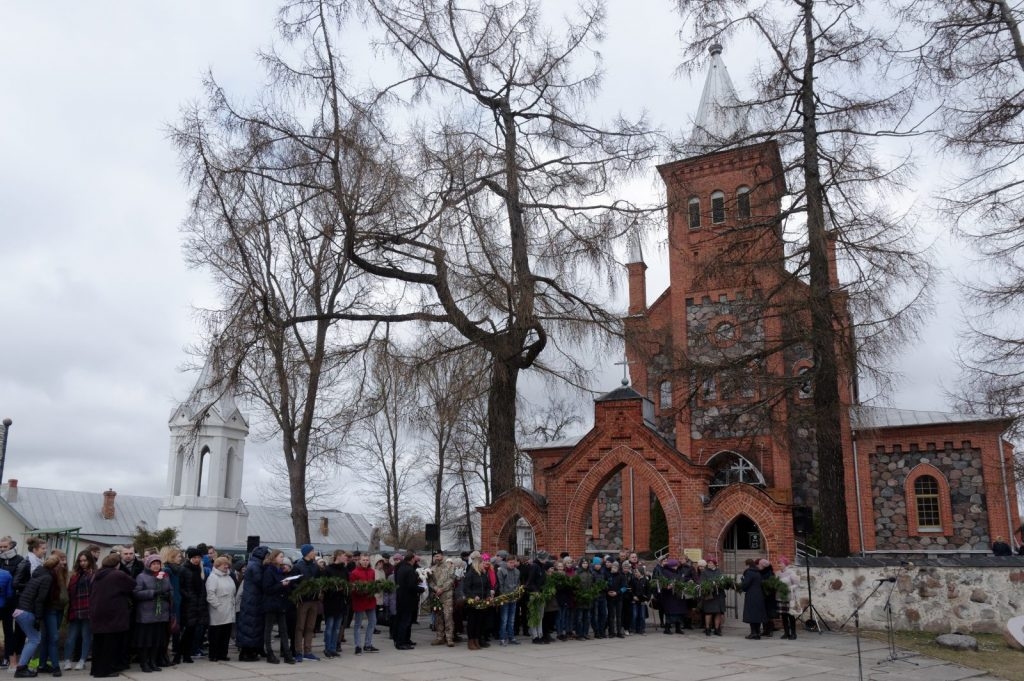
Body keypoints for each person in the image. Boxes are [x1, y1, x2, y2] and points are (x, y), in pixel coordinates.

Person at [89, 553, 136, 678]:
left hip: (97, 611)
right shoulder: (117, 574)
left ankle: (96, 669)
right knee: (110, 644)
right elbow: (132, 584)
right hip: (113, 613)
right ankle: (106, 670)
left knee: (98, 643)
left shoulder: (97, 574)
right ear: (117, 564)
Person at [13, 554, 57, 678]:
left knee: (32, 638)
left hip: (20, 610)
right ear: (55, 567)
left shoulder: (37, 573)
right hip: (27, 611)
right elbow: (40, 599)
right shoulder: (47, 577)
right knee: (34, 639)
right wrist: (38, 617)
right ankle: (21, 668)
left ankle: (23, 666)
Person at [133, 554, 171, 673]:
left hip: (161, 614)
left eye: (158, 564)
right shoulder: (141, 577)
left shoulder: (164, 576)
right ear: (149, 565)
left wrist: (168, 595)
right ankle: (144, 662)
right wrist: (153, 593)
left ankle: (153, 661)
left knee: (157, 640)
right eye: (153, 564)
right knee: (146, 640)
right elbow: (136, 593)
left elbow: (171, 590)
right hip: (147, 615)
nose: (156, 566)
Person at [261, 550, 296, 665]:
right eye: (281, 557)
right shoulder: (269, 571)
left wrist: (287, 583)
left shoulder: (279, 570)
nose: (282, 559)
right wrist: (281, 584)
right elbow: (267, 589)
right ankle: (270, 653)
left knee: (284, 630)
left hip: (281, 603)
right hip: (271, 604)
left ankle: (287, 653)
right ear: (274, 557)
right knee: (269, 629)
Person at [63, 551, 96, 671]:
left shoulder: (94, 574)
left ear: (90, 561)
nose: (82, 563)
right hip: (75, 609)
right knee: (71, 637)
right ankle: (67, 660)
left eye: (85, 560)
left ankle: (82, 660)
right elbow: (69, 591)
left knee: (86, 636)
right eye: (80, 561)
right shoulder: (75, 575)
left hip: (88, 610)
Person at [236, 546, 269, 662]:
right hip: (252, 600)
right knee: (250, 627)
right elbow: (260, 581)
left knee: (252, 626)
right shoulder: (255, 566)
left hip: (252, 599)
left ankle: (252, 650)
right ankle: (246, 653)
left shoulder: (254, 564)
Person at [292, 544, 322, 661]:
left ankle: (308, 651)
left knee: (310, 627)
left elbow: (319, 580)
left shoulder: (315, 566)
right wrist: (302, 588)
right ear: (307, 553)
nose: (314, 553)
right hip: (302, 601)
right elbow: (293, 582)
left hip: (314, 600)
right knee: (300, 627)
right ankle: (298, 651)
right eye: (313, 551)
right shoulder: (298, 566)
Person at [178, 548, 208, 664]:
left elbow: (202, 586)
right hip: (188, 605)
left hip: (198, 605)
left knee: (193, 631)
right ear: (190, 558)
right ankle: (181, 654)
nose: (196, 560)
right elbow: (180, 586)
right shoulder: (184, 569)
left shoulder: (199, 569)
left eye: (198, 558)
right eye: (194, 558)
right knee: (187, 631)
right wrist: (188, 595)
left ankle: (186, 655)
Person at [205, 555, 238, 662]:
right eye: (224, 565)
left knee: (226, 633)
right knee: (216, 634)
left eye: (227, 565)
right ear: (218, 565)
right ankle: (213, 654)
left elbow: (233, 591)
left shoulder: (228, 576)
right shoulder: (213, 577)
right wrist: (218, 606)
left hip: (228, 608)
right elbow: (210, 594)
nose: (226, 567)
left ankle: (223, 654)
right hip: (218, 610)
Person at [0, 537, 26, 670]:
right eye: (1, 547)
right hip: (2, 598)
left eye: (5, 546)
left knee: (13, 631)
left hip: (14, 599)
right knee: (6, 630)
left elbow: (19, 579)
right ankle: (6, 658)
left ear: (11, 546)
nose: (2, 549)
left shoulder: (19, 560)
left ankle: (11, 657)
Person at [348, 553, 379, 654]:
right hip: (359, 601)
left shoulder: (372, 572)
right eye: (364, 560)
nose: (365, 562)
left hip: (370, 600)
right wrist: (360, 591)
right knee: (358, 624)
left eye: (367, 560)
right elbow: (352, 588)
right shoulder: (354, 573)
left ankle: (368, 644)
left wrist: (373, 589)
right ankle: (358, 646)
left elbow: (373, 584)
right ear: (359, 561)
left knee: (373, 622)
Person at [322, 550, 349, 657]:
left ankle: (333, 648)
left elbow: (347, 583)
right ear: (337, 556)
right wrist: (336, 589)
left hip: (341, 602)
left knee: (337, 627)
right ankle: (327, 648)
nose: (345, 557)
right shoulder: (328, 569)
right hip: (330, 602)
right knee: (329, 627)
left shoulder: (344, 570)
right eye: (344, 556)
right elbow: (325, 586)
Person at [462, 552, 491, 651]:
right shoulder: (470, 574)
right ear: (477, 564)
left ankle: (477, 640)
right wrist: (474, 596)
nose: (484, 565)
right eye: (482, 563)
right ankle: (471, 641)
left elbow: (487, 587)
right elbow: (466, 588)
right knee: (472, 622)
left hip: (482, 602)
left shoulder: (483, 574)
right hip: (473, 603)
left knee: (480, 622)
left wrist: (487, 595)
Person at [393, 552, 421, 650]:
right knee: (405, 621)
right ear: (412, 559)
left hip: (400, 597)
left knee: (403, 620)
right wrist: (421, 589)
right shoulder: (409, 569)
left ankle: (405, 639)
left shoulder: (400, 567)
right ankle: (401, 642)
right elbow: (411, 585)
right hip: (408, 599)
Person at [427, 554, 456, 648]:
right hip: (437, 596)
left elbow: (452, 579)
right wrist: (436, 588)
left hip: (447, 596)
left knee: (448, 617)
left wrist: (442, 589)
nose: (436, 558)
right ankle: (440, 637)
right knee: (438, 617)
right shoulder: (432, 568)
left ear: (442, 556)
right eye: (435, 557)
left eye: (438, 556)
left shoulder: (449, 566)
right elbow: (430, 581)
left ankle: (449, 638)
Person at [739, 558, 767, 639]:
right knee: (757, 614)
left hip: (752, 595)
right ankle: (757, 633)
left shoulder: (749, 572)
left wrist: (742, 581)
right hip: (759, 595)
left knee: (751, 614)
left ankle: (753, 633)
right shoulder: (758, 572)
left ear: (747, 565)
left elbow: (745, 585)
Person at [496, 554, 520, 645]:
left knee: (512, 619)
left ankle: (511, 637)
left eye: (513, 563)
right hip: (505, 598)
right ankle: (502, 637)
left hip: (513, 598)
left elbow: (518, 583)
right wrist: (504, 596)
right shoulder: (501, 571)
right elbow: (501, 585)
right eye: (510, 563)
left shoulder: (517, 571)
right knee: (504, 619)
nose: (512, 564)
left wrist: (516, 593)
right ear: (507, 562)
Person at [698, 557, 725, 636]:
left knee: (718, 613)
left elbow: (723, 580)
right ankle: (707, 628)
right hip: (709, 595)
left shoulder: (719, 571)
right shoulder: (704, 572)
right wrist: (710, 585)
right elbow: (702, 583)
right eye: (708, 563)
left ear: (715, 564)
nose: (709, 564)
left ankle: (717, 629)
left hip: (719, 595)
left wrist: (721, 583)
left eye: (711, 563)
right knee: (708, 612)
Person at [777, 556, 800, 640]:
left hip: (789, 597)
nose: (779, 564)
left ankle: (793, 633)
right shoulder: (778, 573)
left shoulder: (791, 573)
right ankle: (786, 633)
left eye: (780, 563)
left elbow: (797, 584)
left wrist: (789, 588)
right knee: (783, 615)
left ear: (785, 564)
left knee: (790, 615)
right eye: (778, 563)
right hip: (780, 597)